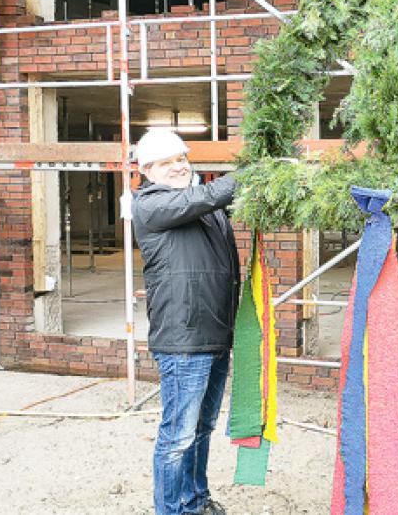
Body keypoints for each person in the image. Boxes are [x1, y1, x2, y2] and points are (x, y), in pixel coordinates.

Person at [132, 128, 240, 515]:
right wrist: (253, 172)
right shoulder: (151, 205)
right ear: (146, 170)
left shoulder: (199, 206)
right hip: (183, 340)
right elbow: (209, 195)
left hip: (214, 333)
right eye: (166, 162)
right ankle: (171, 510)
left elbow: (210, 200)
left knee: (201, 429)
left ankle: (194, 501)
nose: (178, 166)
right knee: (177, 437)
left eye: (181, 159)